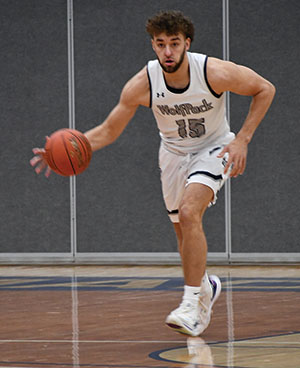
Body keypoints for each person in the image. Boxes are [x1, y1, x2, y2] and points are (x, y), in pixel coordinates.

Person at [31, 10, 275, 336]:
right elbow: (108, 129)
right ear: (153, 46)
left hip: (214, 148)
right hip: (173, 155)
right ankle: (204, 287)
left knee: (190, 213)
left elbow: (264, 89)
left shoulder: (212, 71)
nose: (168, 52)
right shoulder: (142, 83)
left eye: (174, 43)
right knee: (182, 233)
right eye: (161, 45)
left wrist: (242, 139)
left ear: (187, 43)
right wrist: (67, 150)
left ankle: (191, 305)